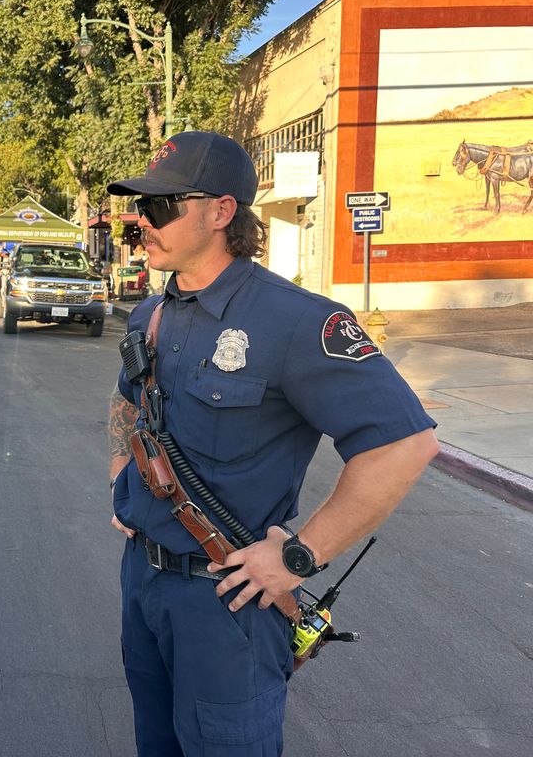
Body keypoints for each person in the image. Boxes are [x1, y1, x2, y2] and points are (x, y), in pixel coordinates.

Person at [105, 131, 439, 756]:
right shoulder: (151, 312)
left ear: (221, 212)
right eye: (139, 208)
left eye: (158, 208)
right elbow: (129, 397)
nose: (140, 222)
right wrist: (122, 472)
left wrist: (299, 556)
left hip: (227, 603)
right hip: (143, 583)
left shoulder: (297, 321)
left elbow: (405, 445)